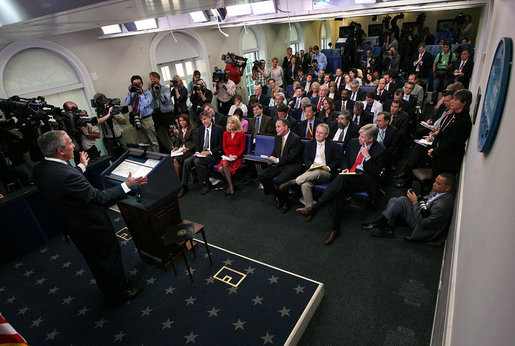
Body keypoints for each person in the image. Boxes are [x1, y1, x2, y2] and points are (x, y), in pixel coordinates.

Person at [33, 130, 147, 306]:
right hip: (92, 227)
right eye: (70, 143)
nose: (74, 146)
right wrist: (127, 185)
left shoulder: (41, 168)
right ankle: (119, 295)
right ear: (60, 150)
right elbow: (98, 198)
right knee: (109, 258)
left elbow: (67, 183)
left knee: (97, 262)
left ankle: (112, 289)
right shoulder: (66, 175)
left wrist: (81, 167)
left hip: (74, 227)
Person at [296, 124, 385, 245]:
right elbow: (345, 159)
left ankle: (315, 207)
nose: (359, 138)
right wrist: (345, 168)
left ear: (370, 139)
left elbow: (375, 173)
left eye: (362, 136)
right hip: (349, 175)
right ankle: (335, 229)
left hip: (365, 178)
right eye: (359, 135)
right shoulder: (353, 142)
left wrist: (367, 157)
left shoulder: (380, 150)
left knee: (341, 180)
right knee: (339, 191)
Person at [362, 173, 455, 243]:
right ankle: (386, 223)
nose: (434, 184)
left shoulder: (442, 205)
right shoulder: (439, 190)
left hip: (421, 227)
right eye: (435, 181)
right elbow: (427, 199)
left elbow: (422, 222)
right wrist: (417, 199)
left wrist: (415, 202)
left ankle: (384, 223)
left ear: (447, 188)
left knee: (400, 201)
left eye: (438, 183)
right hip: (421, 212)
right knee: (394, 200)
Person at [279, 123, 341, 220]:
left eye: (321, 133)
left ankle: (293, 182)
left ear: (326, 135)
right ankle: (309, 210)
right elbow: (306, 159)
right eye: (317, 132)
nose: (318, 134)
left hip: (325, 173)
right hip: (310, 172)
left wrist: (328, 167)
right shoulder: (310, 144)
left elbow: (337, 161)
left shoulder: (333, 145)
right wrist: (312, 165)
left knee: (317, 172)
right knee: (305, 184)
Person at [258, 118, 303, 213]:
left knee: (279, 181)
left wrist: (277, 160)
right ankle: (277, 196)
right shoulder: (278, 137)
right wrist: (271, 158)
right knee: (262, 175)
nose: (276, 129)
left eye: (278, 127)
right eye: (276, 127)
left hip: (292, 165)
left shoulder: (295, 139)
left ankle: (286, 202)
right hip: (280, 164)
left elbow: (291, 157)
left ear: (286, 127)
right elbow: (275, 151)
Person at [180, 111, 224, 196]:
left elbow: (221, 146)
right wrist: (197, 152)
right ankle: (183, 185)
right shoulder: (200, 129)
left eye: (205, 119)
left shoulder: (218, 129)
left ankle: (206, 183)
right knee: (187, 161)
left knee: (197, 161)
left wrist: (209, 152)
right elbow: (198, 144)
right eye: (202, 120)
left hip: (213, 154)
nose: (203, 121)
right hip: (201, 153)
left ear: (210, 118)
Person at [124, 75, 159, 152]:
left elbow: (146, 104)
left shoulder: (147, 93)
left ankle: (158, 158)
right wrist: (130, 93)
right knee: (144, 142)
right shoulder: (132, 94)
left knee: (153, 140)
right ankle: (150, 158)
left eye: (139, 83)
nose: (137, 85)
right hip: (137, 119)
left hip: (147, 118)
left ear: (142, 84)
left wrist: (141, 94)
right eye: (135, 84)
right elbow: (127, 103)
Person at [218, 116, 246, 196]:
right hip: (228, 156)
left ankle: (230, 187)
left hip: (237, 157)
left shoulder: (241, 134)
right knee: (221, 167)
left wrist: (236, 156)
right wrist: (229, 155)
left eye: (232, 123)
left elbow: (242, 148)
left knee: (223, 166)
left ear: (236, 124)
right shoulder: (225, 133)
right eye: (229, 123)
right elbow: (224, 147)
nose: (230, 125)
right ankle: (231, 185)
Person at [93, 93, 126, 160]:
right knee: (114, 158)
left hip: (120, 137)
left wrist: (114, 116)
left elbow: (124, 121)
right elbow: (96, 123)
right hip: (109, 140)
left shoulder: (113, 108)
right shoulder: (97, 113)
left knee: (126, 154)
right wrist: (105, 115)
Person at [149, 72, 174, 153]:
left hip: (167, 114)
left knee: (171, 134)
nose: (153, 81)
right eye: (151, 79)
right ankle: (168, 150)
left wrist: (159, 92)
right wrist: (151, 91)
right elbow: (151, 103)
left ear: (158, 79)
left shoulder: (165, 88)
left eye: (154, 79)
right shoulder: (151, 91)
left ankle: (174, 149)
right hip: (157, 115)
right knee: (161, 135)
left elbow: (165, 101)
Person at [172, 114, 198, 182]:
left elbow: (195, 142)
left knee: (176, 160)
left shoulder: (193, 128)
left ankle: (177, 181)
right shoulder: (181, 129)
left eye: (184, 120)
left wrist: (188, 148)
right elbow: (178, 140)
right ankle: (178, 180)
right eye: (180, 121)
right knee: (170, 158)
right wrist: (176, 147)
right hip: (182, 149)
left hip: (191, 150)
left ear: (187, 120)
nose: (182, 122)